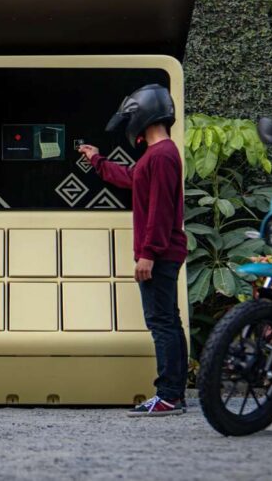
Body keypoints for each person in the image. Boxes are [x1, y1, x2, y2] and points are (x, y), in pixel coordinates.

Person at [79, 84, 188, 417]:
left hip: (160, 253)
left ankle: (168, 395)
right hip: (163, 252)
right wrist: (96, 159)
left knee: (161, 324)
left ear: (143, 116)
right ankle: (175, 394)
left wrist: (148, 254)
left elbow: (160, 210)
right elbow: (131, 178)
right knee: (170, 322)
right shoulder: (158, 155)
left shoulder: (163, 155)